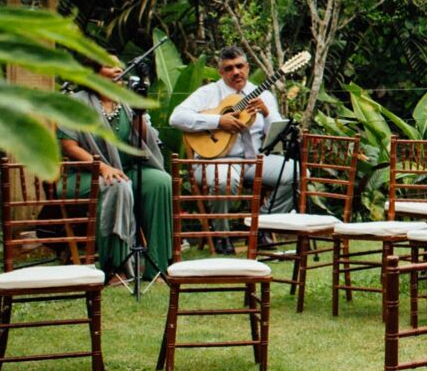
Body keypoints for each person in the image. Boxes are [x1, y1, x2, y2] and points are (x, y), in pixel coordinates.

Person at [60, 59, 173, 281]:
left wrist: (140, 108)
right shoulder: (76, 102)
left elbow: (143, 138)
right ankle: (116, 268)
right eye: (111, 66)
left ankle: (156, 267)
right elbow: (68, 146)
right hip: (85, 176)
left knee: (161, 182)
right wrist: (101, 167)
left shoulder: (127, 102)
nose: (119, 70)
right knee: (118, 185)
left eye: (120, 66)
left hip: (127, 170)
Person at [168, 46, 294, 211]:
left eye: (240, 66)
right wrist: (218, 121)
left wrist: (266, 113)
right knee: (224, 182)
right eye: (229, 68)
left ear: (247, 68)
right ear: (220, 72)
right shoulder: (208, 93)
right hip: (215, 161)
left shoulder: (264, 96)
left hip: (255, 160)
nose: (236, 72)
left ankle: (262, 224)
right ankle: (221, 235)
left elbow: (277, 138)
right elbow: (176, 118)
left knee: (297, 174)